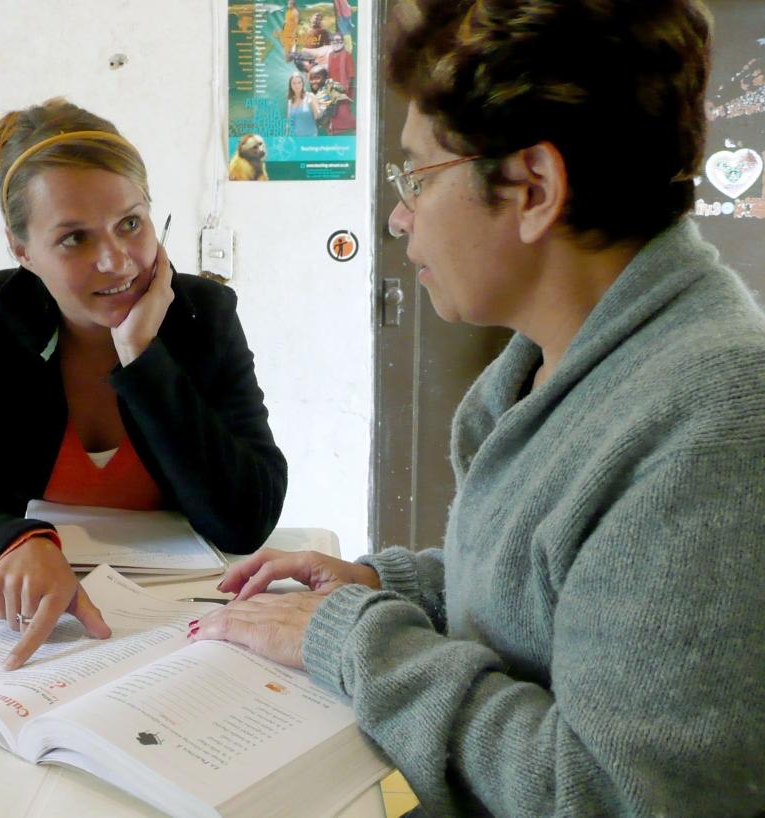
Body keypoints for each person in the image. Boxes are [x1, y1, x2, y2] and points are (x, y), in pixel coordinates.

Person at [191, 2, 765, 816]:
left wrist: (356, 638)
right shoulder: (559, 365)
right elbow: (548, 598)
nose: (399, 215)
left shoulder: (712, 429)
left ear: (533, 187)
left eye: (417, 177)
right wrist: (381, 584)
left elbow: (611, 797)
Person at [0, 98, 286, 671]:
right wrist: (7, 543)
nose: (116, 262)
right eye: (74, 239)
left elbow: (245, 517)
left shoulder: (201, 316)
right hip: (22, 631)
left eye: (130, 224)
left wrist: (141, 356)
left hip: (175, 631)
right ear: (21, 249)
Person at [325, 32, 356, 134]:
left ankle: (350, 126)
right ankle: (335, 128)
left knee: (343, 110)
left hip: (344, 88)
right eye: (334, 40)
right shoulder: (330, 55)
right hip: (332, 88)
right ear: (331, 42)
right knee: (334, 110)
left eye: (339, 40)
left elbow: (351, 74)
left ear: (342, 42)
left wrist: (348, 88)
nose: (336, 42)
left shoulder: (347, 55)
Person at [286, 72, 321, 137]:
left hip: (310, 139)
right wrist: (286, 137)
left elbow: (318, 118)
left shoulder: (310, 96)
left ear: (302, 84)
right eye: (294, 83)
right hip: (294, 140)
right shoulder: (290, 101)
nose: (297, 85)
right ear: (290, 85)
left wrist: (312, 104)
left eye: (299, 82)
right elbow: (288, 122)